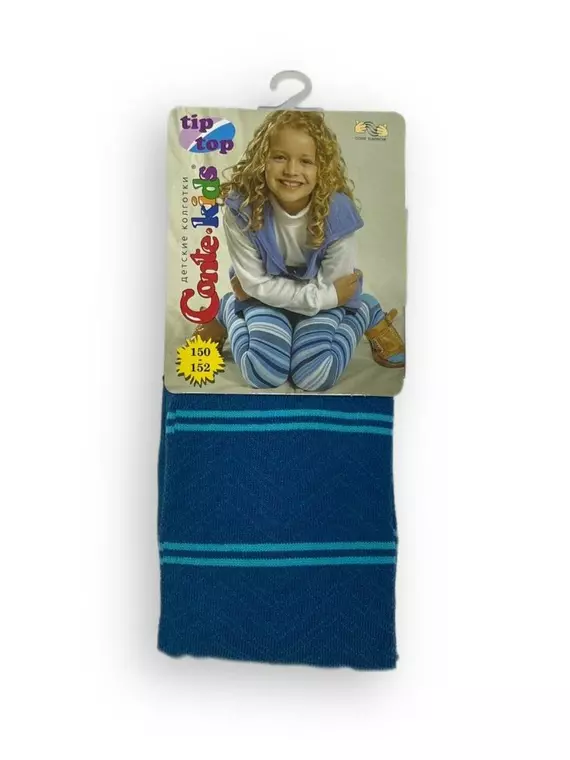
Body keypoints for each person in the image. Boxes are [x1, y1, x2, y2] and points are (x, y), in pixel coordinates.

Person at [195, 110, 405, 391]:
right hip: (269, 295)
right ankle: (228, 310)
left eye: (306, 161)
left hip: (324, 296)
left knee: (315, 374)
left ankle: (366, 309)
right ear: (261, 160)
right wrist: (262, 293)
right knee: (263, 372)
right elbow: (254, 283)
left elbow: (333, 286)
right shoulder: (241, 208)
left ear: (322, 168)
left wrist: (327, 297)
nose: (292, 171)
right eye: (280, 157)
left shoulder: (338, 212)